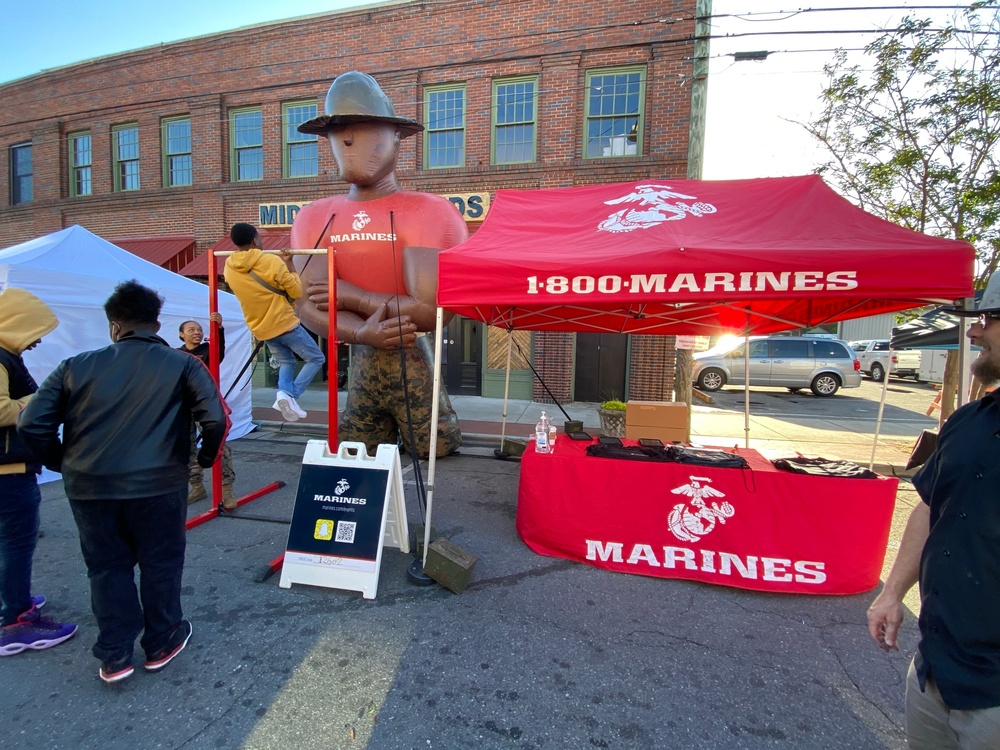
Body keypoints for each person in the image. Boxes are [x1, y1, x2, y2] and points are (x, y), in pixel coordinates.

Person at [18, 280, 228, 684]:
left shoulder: (75, 365)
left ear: (115, 326)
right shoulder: (181, 363)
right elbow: (215, 418)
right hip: (158, 483)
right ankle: (161, 641)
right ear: (155, 323)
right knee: (160, 563)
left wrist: (63, 462)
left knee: (106, 568)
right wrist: (202, 458)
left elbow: (32, 424)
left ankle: (114, 654)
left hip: (90, 485)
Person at [291, 70, 466, 458]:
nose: (350, 138)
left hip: (412, 358)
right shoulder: (313, 217)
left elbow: (432, 310)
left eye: (365, 128)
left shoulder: (430, 212)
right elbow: (308, 304)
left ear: (395, 137)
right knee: (358, 449)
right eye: (340, 130)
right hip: (363, 361)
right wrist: (361, 334)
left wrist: (356, 296)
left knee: (434, 446)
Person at [867, 270, 1000, 749]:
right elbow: (927, 506)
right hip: (935, 667)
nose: (973, 332)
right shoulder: (969, 420)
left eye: (988, 319)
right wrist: (893, 593)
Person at [0, 288, 77, 656]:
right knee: (15, 544)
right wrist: (42, 398)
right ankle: (17, 620)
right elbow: (2, 410)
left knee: (9, 544)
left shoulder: (6, 357)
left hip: (12, 468)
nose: (38, 341)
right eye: (34, 331)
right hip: (8, 473)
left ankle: (12, 599)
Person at [224, 222, 325, 422]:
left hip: (261, 328)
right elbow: (296, 292)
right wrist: (289, 263)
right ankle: (288, 395)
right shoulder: (270, 261)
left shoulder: (229, 266)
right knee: (316, 358)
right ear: (255, 240)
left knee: (286, 361)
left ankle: (287, 397)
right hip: (284, 323)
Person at [177, 313, 237, 509]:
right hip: (184, 407)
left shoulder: (208, 350)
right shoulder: (177, 354)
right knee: (186, 447)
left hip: (205, 406)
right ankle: (196, 486)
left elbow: (219, 348)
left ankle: (226, 490)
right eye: (191, 330)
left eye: (199, 330)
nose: (197, 332)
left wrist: (219, 329)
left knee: (220, 446)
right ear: (181, 334)